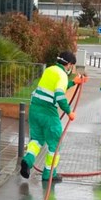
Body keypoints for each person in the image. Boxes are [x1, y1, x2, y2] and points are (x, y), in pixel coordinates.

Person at [20, 51, 87, 182]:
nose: (70, 69)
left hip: (34, 109)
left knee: (36, 140)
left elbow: (55, 87)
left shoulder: (50, 70)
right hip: (48, 112)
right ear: (68, 64)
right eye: (71, 66)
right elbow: (60, 96)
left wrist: (74, 82)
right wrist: (69, 112)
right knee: (55, 144)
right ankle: (49, 174)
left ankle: (27, 161)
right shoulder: (62, 75)